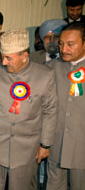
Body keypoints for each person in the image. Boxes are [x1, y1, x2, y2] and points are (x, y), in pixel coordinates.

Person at [0, 29, 57, 190]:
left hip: (27, 149)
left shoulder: (45, 75)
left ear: (24, 56)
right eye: (2, 56)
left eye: (8, 58)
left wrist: (45, 145)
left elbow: (50, 111)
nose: (4, 62)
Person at [46, 22, 85, 190]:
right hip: (56, 143)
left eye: (70, 44)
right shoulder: (50, 68)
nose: (63, 49)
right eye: (61, 43)